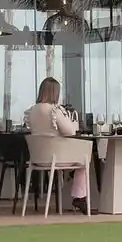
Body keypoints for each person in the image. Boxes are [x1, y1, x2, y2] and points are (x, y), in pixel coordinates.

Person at [24, 78, 90, 214]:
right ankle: (79, 195)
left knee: (81, 156)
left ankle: (73, 185)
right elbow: (70, 131)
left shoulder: (32, 110)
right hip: (57, 157)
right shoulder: (54, 110)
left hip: (38, 158)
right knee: (86, 157)